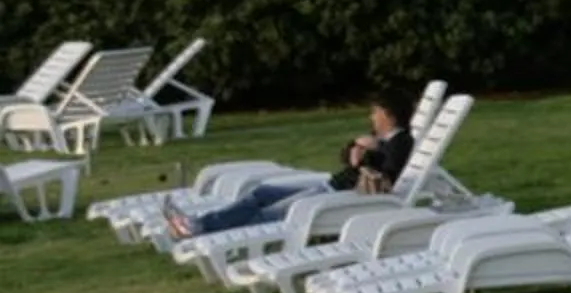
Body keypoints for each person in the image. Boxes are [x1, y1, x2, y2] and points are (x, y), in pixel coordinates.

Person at [165, 95, 415, 240]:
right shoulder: (380, 139)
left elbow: (386, 177)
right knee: (261, 192)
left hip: (338, 195)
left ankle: (203, 230)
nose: (372, 118)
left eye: (376, 113)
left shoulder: (400, 142)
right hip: (329, 185)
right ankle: (200, 223)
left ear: (389, 115)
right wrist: (357, 147)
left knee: (272, 215)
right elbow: (346, 158)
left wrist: (365, 155)